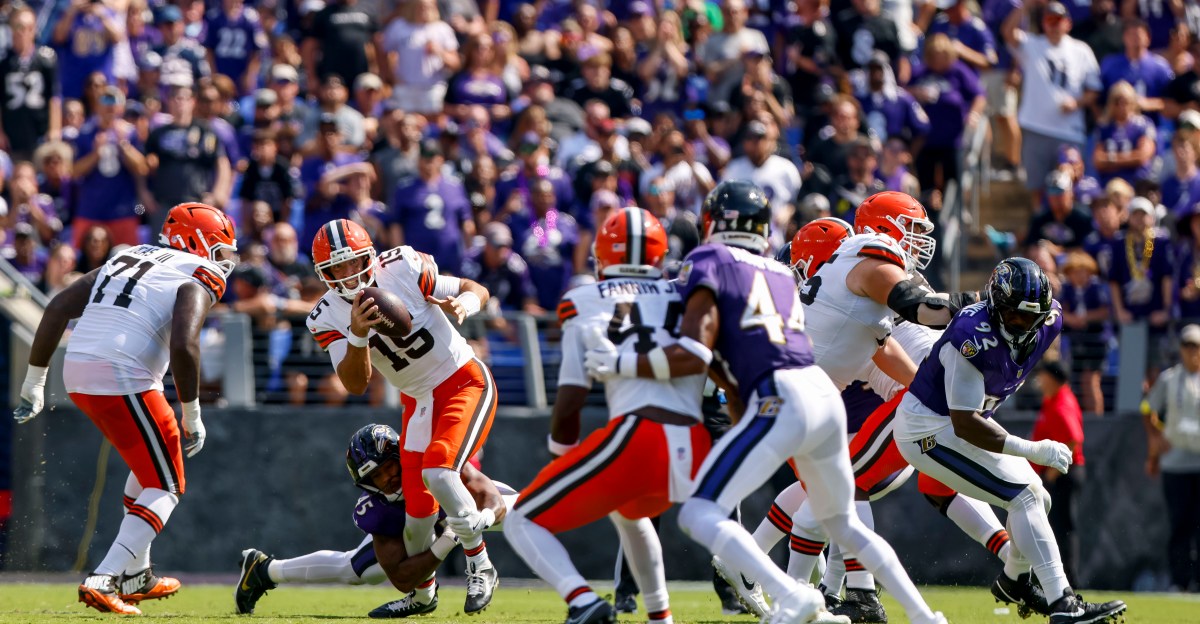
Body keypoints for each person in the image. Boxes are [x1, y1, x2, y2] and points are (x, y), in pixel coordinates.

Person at [585, 181, 944, 624]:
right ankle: (923, 617)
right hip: (821, 401)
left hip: (782, 396)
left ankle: (788, 593)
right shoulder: (783, 275)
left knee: (699, 512)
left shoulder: (716, 262)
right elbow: (867, 343)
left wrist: (625, 359)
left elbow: (698, 347)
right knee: (843, 517)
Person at [13, 203, 237, 615]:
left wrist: (34, 382)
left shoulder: (127, 254)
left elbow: (60, 305)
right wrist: (192, 413)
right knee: (168, 484)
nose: (224, 259)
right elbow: (185, 344)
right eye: (220, 248)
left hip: (78, 372)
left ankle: (138, 574)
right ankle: (105, 576)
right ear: (196, 241)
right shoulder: (197, 271)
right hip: (124, 374)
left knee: (147, 468)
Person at [504, 207, 712, 624]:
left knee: (520, 519)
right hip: (697, 438)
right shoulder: (686, 293)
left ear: (603, 256)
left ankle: (582, 601)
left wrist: (559, 452)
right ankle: (661, 617)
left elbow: (571, 397)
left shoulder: (584, 300)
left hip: (639, 436)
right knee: (631, 513)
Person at [894, 257, 1128, 623]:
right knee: (1024, 496)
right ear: (995, 306)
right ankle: (1063, 604)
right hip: (928, 430)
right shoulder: (971, 335)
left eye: (1028, 317)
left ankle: (1015, 580)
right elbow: (965, 422)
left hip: (956, 423)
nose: (1021, 325)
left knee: (1040, 498)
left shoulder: (1049, 320)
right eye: (1014, 316)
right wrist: (1032, 449)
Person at [305, 218, 499, 614]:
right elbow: (356, 384)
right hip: (418, 401)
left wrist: (468, 302)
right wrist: (357, 334)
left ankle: (480, 564)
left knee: (440, 472)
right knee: (417, 518)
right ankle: (423, 596)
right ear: (323, 274)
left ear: (371, 255)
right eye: (335, 269)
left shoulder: (403, 267)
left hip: (462, 380)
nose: (346, 275)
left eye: (353, 262)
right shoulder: (325, 315)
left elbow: (475, 287)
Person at [234, 423, 517, 617]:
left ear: (401, 456)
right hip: (425, 528)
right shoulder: (381, 509)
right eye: (376, 477)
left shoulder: (429, 459)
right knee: (359, 571)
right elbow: (401, 577)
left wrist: (482, 518)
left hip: (465, 511)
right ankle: (265, 571)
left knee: (526, 517)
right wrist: (449, 538)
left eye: (389, 467)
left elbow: (489, 495)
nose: (387, 480)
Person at [1001, 1, 1100, 206]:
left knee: (1071, 181)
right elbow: (1007, 32)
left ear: (1068, 23)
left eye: (1058, 19)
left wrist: (1077, 102)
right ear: (1044, 23)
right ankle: (1041, 223)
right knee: (1036, 186)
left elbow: (1094, 90)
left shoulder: (1081, 50)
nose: (1054, 24)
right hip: (1036, 127)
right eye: (1049, 19)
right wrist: (1025, 7)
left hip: (1070, 131)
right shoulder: (1032, 44)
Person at [1144, 324, 1200, 592]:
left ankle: (1197, 582)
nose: (1193, 352)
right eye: (1188, 346)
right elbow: (1147, 407)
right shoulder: (1169, 378)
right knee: (1179, 525)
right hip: (1175, 464)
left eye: (1196, 346)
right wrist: (1155, 437)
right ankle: (1179, 581)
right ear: (1181, 349)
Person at [1031, 360, 1085, 586]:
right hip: (1057, 475)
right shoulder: (1052, 399)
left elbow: (1074, 438)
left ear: (1052, 378)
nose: (1039, 380)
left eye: (1042, 375)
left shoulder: (1062, 402)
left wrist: (1051, 475)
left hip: (1063, 475)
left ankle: (1067, 581)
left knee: (1061, 530)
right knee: (1055, 528)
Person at [0, 6, 61, 161]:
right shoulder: (4, 62)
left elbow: (54, 96)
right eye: (17, 27)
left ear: (34, 29)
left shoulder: (46, 59)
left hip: (40, 130)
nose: (21, 32)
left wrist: (54, 129)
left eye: (27, 27)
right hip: (12, 130)